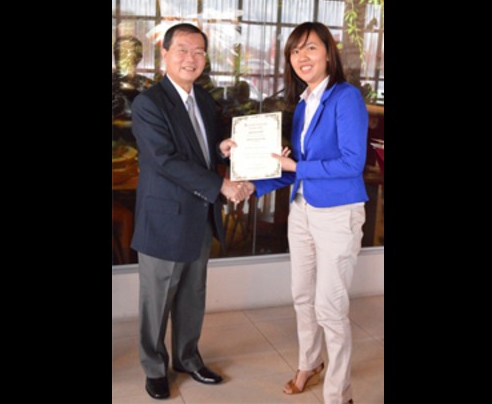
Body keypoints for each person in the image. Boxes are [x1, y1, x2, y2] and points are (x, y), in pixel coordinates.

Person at [236, 22, 369, 404]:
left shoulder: (346, 98)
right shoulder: (303, 104)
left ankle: (337, 394)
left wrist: (294, 169)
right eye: (295, 51)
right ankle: (309, 364)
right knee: (302, 297)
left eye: (310, 48)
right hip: (302, 210)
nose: (302, 57)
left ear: (328, 52)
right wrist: (252, 187)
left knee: (330, 306)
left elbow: (351, 163)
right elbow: (293, 165)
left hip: (338, 214)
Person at [129, 23, 252, 400]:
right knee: (157, 299)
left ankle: (186, 358)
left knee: (192, 295)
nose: (191, 58)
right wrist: (222, 186)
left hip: (199, 215)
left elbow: (199, 150)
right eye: (182, 49)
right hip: (165, 217)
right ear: (163, 54)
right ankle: (154, 367)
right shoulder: (149, 103)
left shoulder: (203, 99)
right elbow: (166, 160)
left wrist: (222, 150)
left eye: (199, 51)